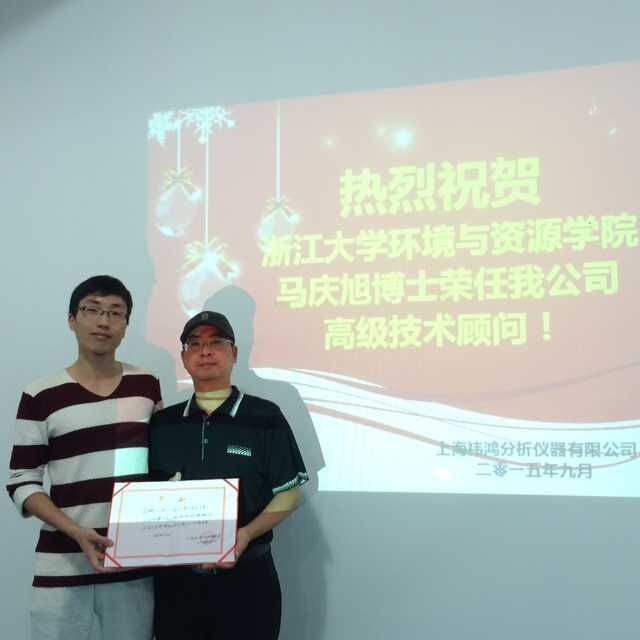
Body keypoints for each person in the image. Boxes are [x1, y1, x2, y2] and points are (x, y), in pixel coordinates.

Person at [6, 275, 162, 640]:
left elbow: (159, 470)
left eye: (115, 312)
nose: (104, 321)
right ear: (72, 319)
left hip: (131, 566)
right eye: (92, 309)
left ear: (126, 325)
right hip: (62, 568)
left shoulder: (146, 385)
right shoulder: (40, 394)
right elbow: (21, 481)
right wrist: (76, 531)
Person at [149, 310, 308, 640]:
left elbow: (290, 492)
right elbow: (146, 495)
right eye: (195, 344)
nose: (205, 351)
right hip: (176, 585)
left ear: (234, 353)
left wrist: (246, 534)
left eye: (216, 342)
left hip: (248, 580)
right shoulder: (163, 423)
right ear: (184, 357)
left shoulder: (265, 415)